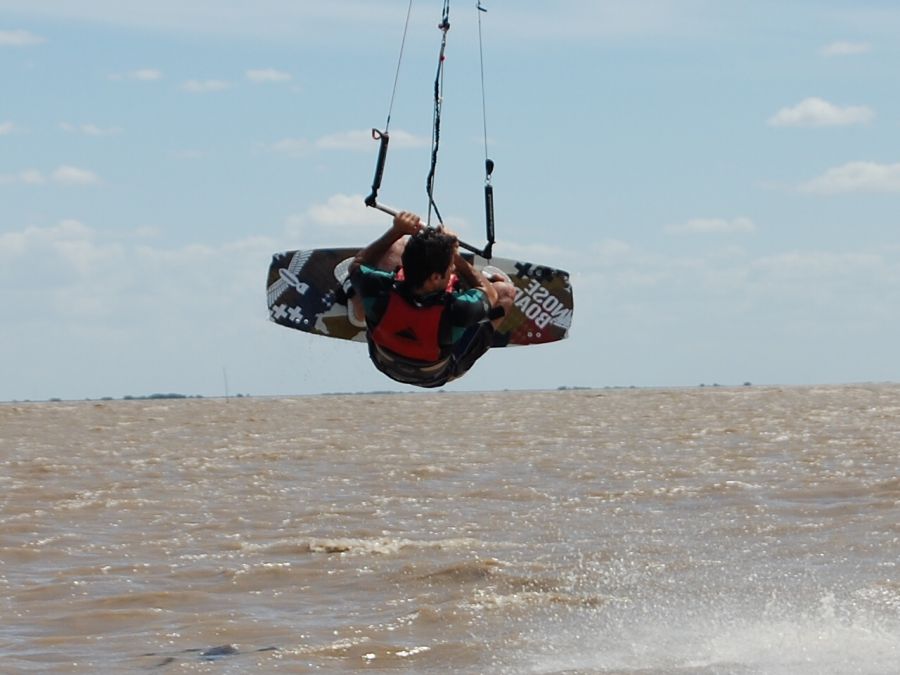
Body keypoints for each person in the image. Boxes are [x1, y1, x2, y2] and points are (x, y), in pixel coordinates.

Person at [347, 211, 515, 388]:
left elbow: (357, 264)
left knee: (393, 248)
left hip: (382, 361)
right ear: (435, 278)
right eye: (450, 267)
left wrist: (396, 231)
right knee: (505, 293)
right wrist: (457, 257)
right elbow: (491, 294)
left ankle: (359, 312)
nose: (452, 268)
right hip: (436, 375)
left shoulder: (381, 288)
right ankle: (472, 337)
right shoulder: (458, 310)